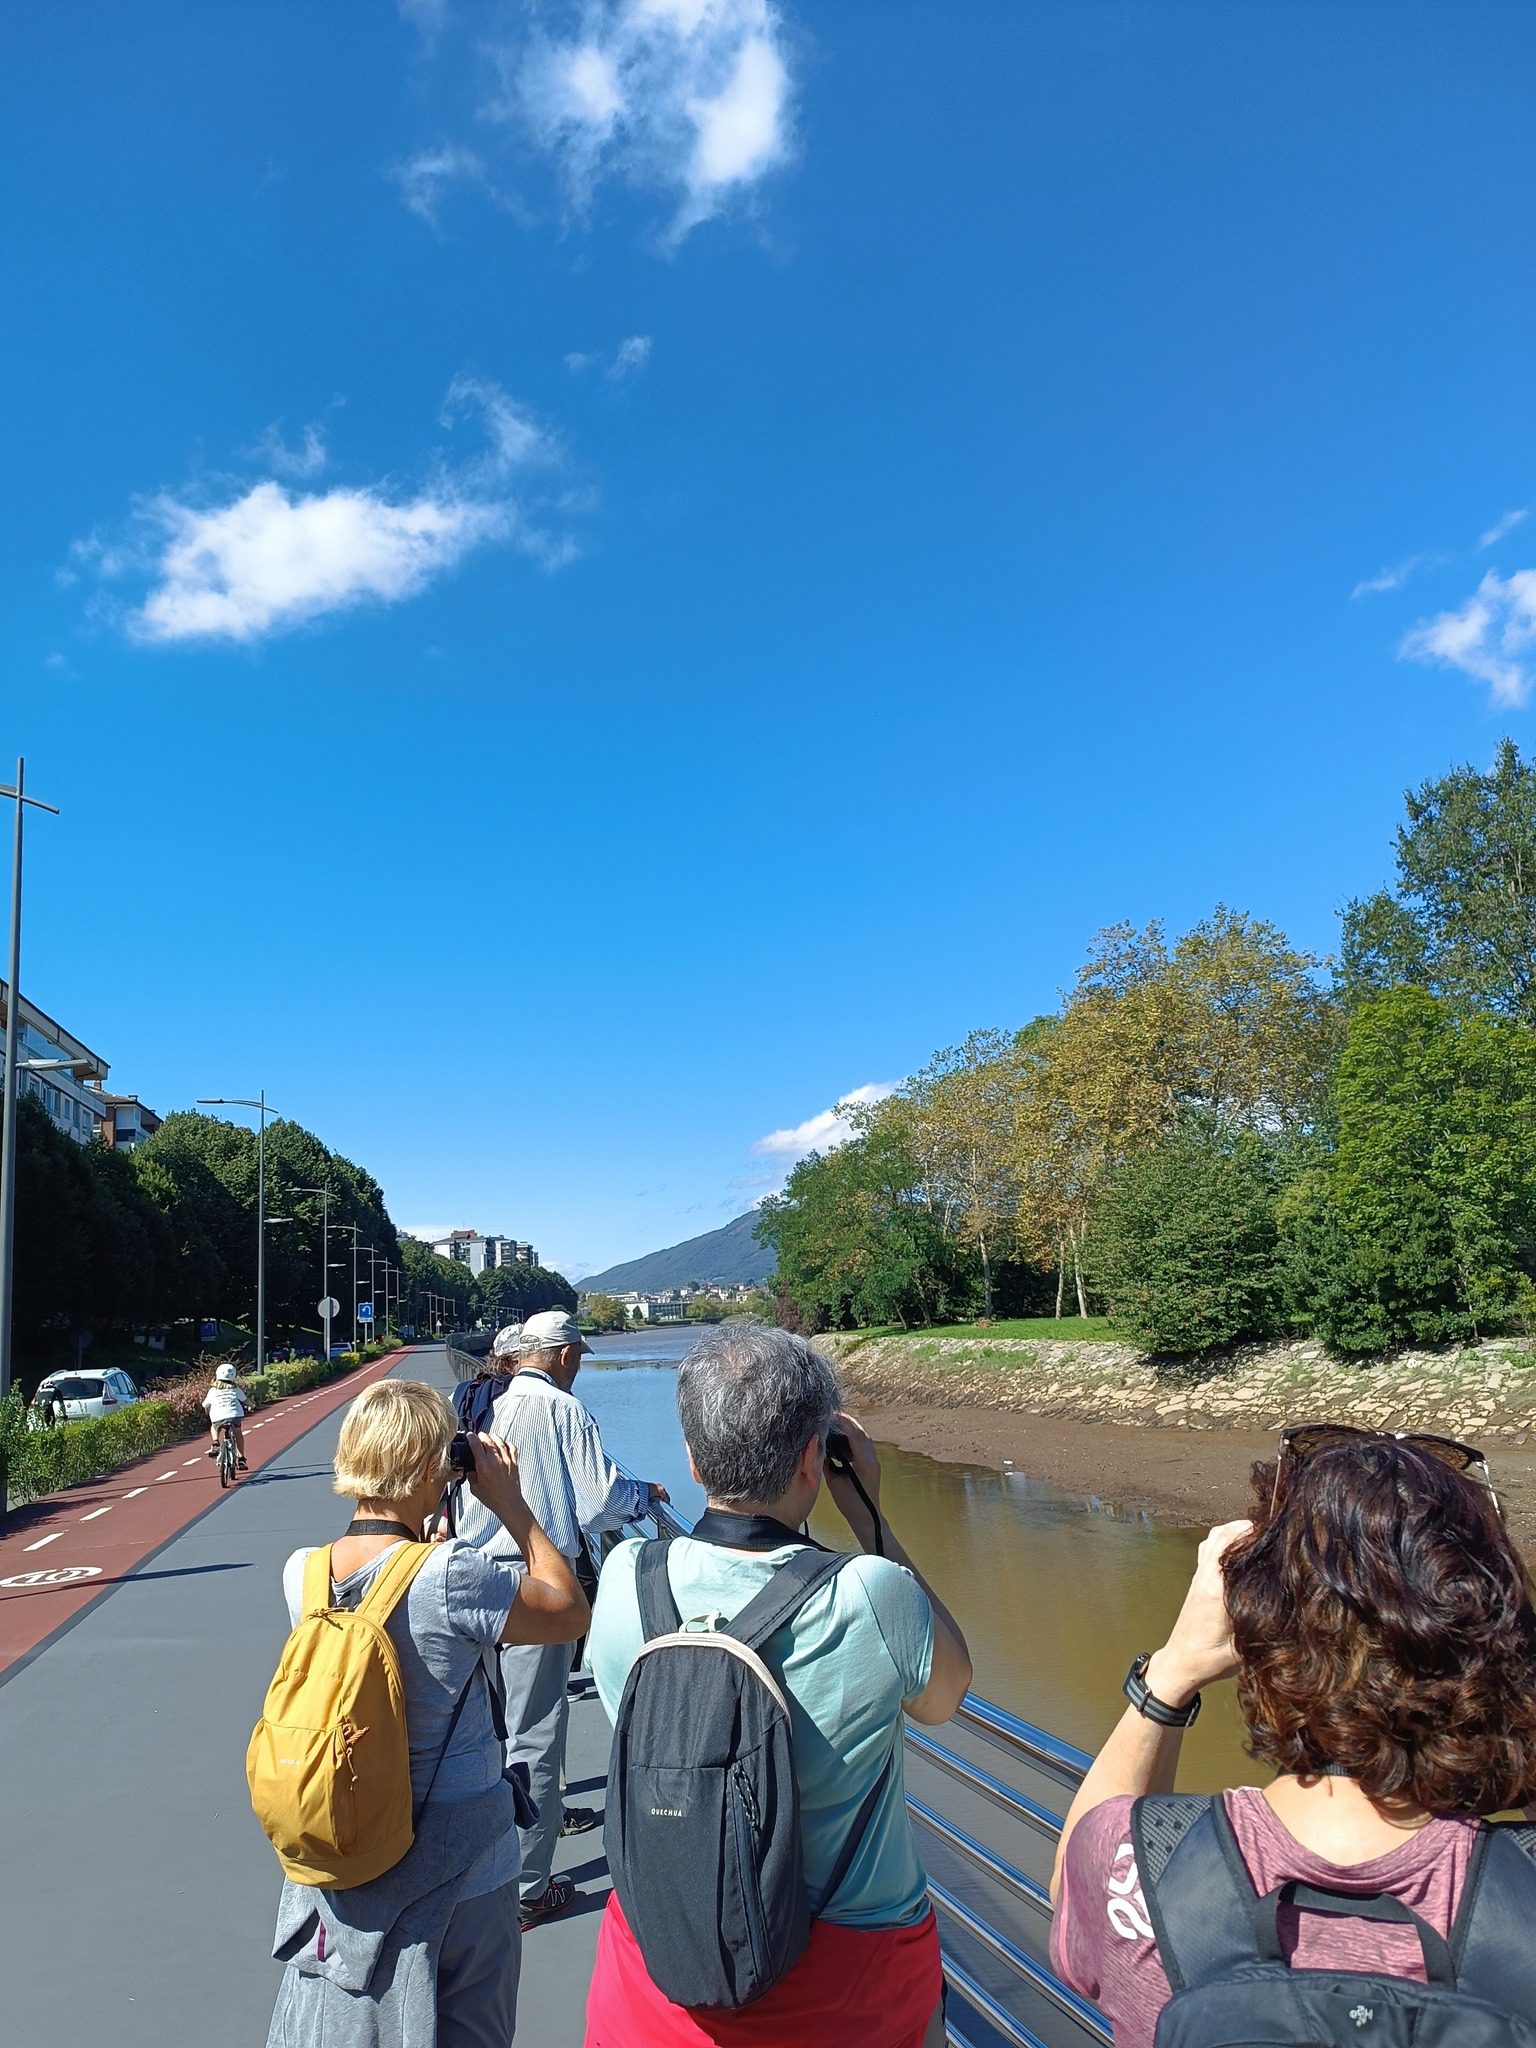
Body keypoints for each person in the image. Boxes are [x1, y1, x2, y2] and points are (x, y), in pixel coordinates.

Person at [1050, 1423, 1536, 2047]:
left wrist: (1171, 1674)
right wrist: (1515, 1693)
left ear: (1254, 1624)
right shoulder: (1518, 1892)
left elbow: (1070, 1902)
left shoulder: (1133, 1862)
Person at [584, 1323, 973, 2048]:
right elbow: (947, 1692)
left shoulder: (626, 1577)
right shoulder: (871, 1593)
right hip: (850, 1984)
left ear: (693, 1460)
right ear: (811, 1459)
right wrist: (866, 1510)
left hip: (660, 1964)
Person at [264, 1378, 588, 2048]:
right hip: (461, 1861)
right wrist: (512, 1504)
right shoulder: (450, 1575)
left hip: (348, 1844)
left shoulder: (303, 1572)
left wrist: (424, 1533)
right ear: (434, 1466)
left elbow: (394, 1594)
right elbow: (567, 1610)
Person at [456, 1307, 671, 1932]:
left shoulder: (489, 1400)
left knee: (485, 1728)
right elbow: (600, 1500)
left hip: (471, 1577)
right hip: (531, 1585)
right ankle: (528, 1888)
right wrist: (645, 1494)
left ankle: (480, 1862)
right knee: (535, 1732)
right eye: (577, 1357)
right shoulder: (562, 1408)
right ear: (564, 1355)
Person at [203, 1361, 248, 1467]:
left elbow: (205, 1404)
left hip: (218, 1416)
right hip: (234, 1416)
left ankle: (215, 1443)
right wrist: (252, 1405)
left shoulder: (213, 1390)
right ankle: (241, 1459)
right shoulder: (235, 1389)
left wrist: (207, 1410)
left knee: (215, 1427)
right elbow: (246, 1400)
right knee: (238, 1433)